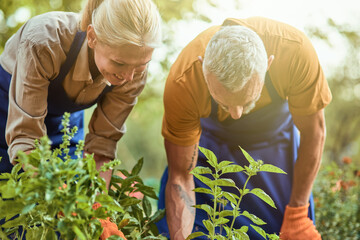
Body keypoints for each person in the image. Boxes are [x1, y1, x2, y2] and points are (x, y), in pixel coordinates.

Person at [156, 17, 331, 239]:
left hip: (274, 144)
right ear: (203, 69)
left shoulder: (295, 52)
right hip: (207, 145)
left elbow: (314, 132)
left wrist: (297, 213)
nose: (236, 114)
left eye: (247, 101)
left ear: (268, 65)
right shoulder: (184, 80)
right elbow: (181, 176)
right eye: (223, 102)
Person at [0, 0, 161, 238]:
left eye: (140, 66)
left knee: (68, 221)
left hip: (64, 120)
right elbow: (26, 141)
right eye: (119, 63)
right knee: (16, 212)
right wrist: (63, 200)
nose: (129, 77)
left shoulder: (133, 71)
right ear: (93, 37)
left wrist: (99, 211)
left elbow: (102, 147)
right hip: (9, 111)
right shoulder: (44, 40)